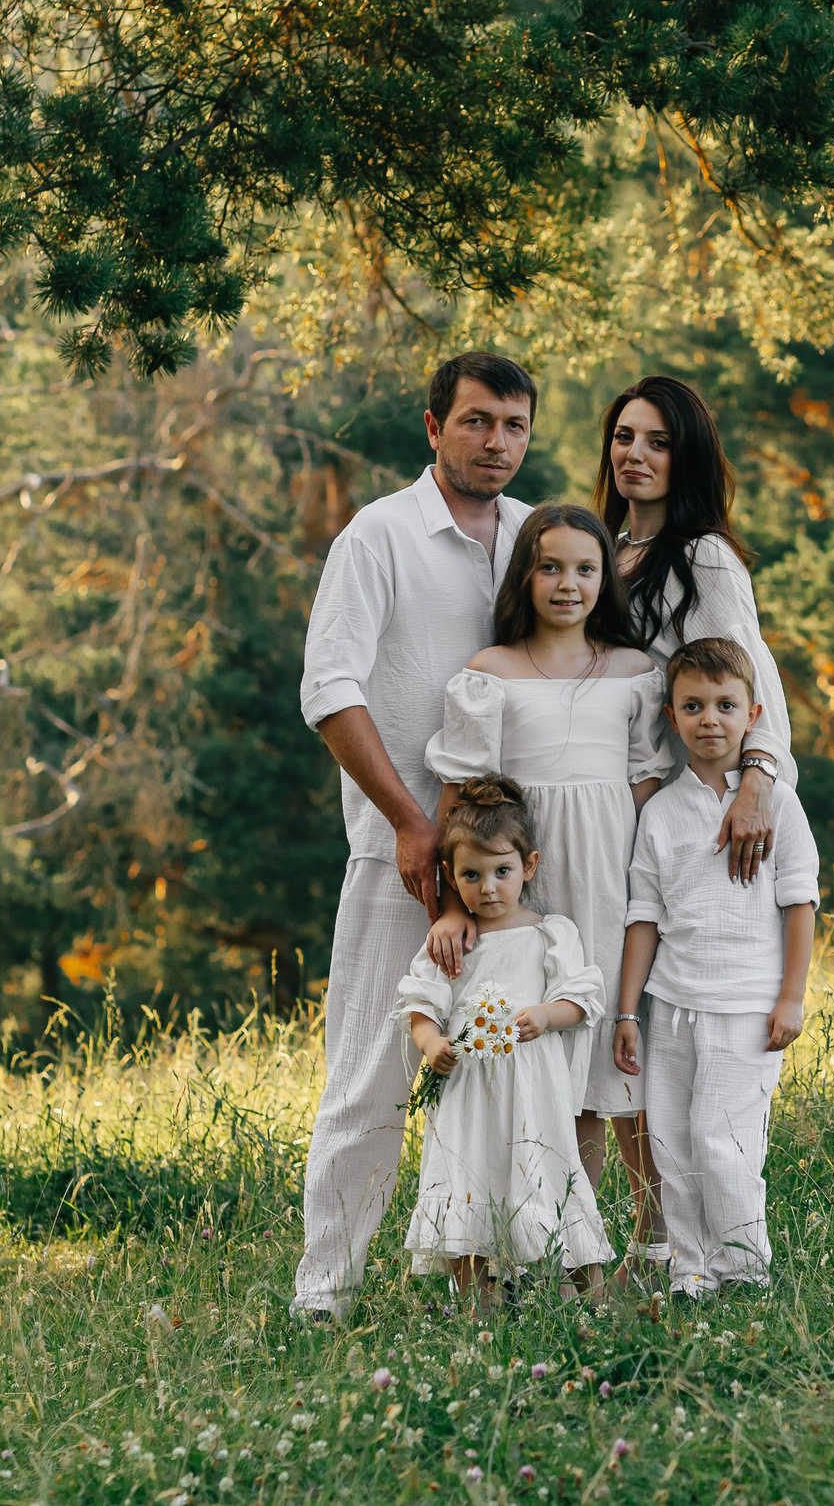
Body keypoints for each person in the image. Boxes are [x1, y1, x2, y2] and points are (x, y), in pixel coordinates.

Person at [292, 350, 537, 1322]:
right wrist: (405, 819)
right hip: (401, 858)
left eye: (514, 425)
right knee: (369, 1082)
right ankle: (325, 1296)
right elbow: (329, 689)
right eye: (477, 422)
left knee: (505, 1075)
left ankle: (485, 1283)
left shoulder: (535, 537)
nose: (497, 442)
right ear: (434, 428)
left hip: (515, 867)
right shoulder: (379, 537)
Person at [423, 503, 675, 1273]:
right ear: (525, 576)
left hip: (606, 870)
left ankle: (583, 1243)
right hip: (524, 874)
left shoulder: (634, 672)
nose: (569, 583)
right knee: (519, 1062)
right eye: (551, 566)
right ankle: (508, 1241)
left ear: (606, 578)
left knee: (589, 1058)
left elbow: (645, 786)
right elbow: (464, 796)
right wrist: (449, 903)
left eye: (586, 568)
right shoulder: (489, 672)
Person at [611, 636, 819, 1299]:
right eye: (693, 705)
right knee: (672, 1141)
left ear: (752, 714)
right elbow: (643, 915)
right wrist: (628, 1009)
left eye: (725, 704)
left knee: (721, 1141)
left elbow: (800, 898)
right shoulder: (661, 813)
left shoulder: (774, 803)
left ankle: (744, 1268)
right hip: (671, 1006)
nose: (710, 718)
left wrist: (792, 996)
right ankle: (690, 1271)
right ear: (672, 717)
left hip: (746, 1005)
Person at [395, 777, 612, 1309]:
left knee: (549, 1172)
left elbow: (585, 996)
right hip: (468, 1085)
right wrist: (430, 1044)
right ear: (451, 875)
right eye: (471, 875)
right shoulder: (454, 940)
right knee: (466, 1176)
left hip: (532, 1088)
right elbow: (418, 1005)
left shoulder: (549, 933)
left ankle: (591, 1298)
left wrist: (546, 1014)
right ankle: (478, 1305)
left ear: (529, 867)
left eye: (502, 872)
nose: (488, 888)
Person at [598, 376, 797, 886]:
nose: (634, 454)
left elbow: (755, 682)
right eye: (624, 437)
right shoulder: (600, 553)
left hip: (667, 807)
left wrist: (755, 785)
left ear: (687, 457)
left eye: (658, 443)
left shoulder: (702, 557)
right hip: (598, 793)